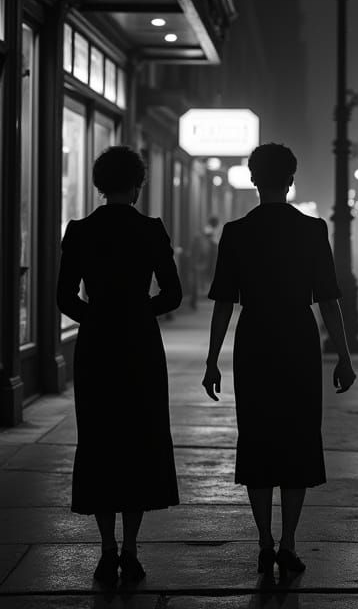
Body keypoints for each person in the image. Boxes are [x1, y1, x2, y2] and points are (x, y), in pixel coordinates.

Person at [202, 142, 357, 580]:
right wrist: (343, 355)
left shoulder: (236, 232)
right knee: (297, 439)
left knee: (257, 437)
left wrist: (212, 359)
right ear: (291, 180)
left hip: (254, 339)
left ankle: (264, 542)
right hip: (297, 339)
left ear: (254, 179)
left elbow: (223, 302)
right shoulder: (312, 230)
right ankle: (288, 541)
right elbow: (328, 300)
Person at [56, 145, 182, 586]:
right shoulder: (150, 230)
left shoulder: (79, 231)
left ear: (100, 185)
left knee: (99, 441)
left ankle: (106, 549)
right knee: (139, 441)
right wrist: (138, 312)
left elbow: (64, 297)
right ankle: (130, 548)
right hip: (139, 345)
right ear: (137, 185)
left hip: (96, 346)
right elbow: (172, 294)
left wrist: (96, 317)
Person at [189, 216, 220, 309]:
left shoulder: (206, 233)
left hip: (202, 261)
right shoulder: (207, 231)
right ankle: (194, 301)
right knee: (196, 282)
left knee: (197, 282)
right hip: (200, 261)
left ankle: (194, 301)